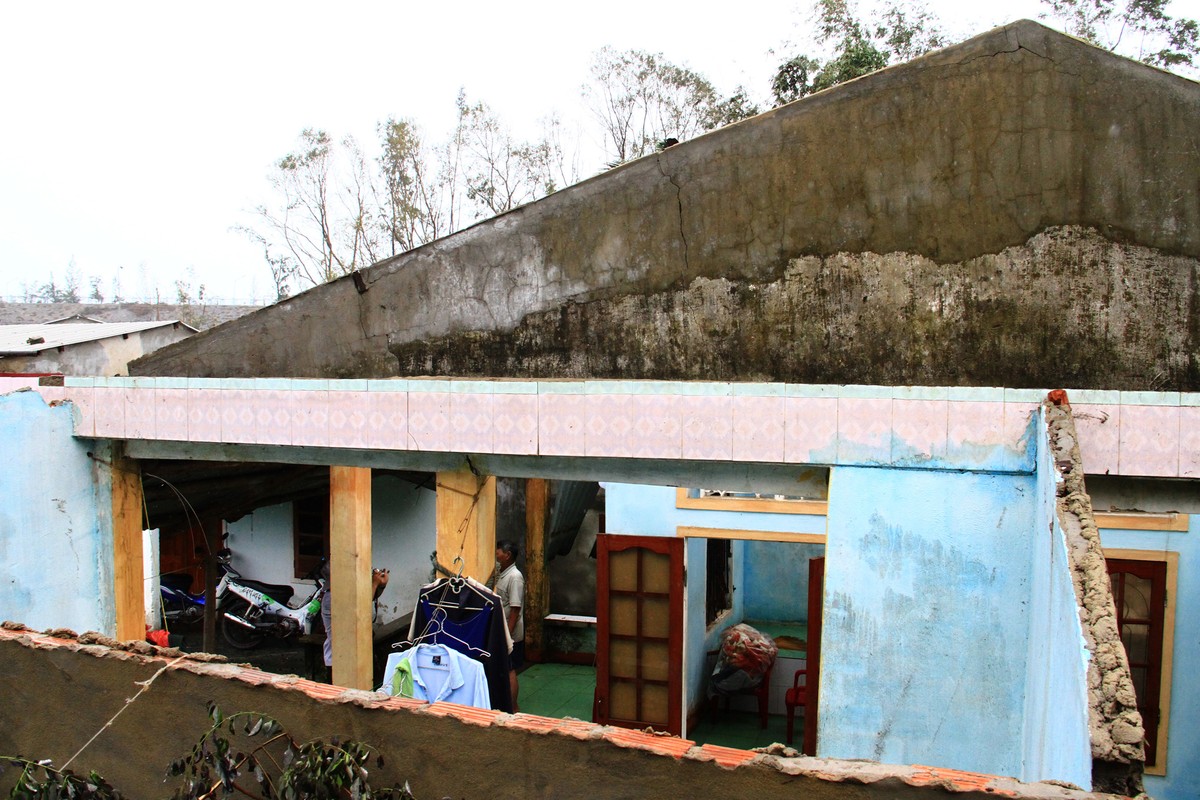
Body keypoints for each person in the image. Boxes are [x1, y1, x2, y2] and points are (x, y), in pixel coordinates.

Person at [321, 563, 389, 677]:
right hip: (339, 662)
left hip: (352, 659)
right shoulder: (332, 597)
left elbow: (368, 598)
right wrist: (374, 583)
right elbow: (361, 609)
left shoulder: (345, 594)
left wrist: (380, 585)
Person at [494, 539, 525, 711]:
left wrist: (509, 637)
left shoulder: (515, 577)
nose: (496, 553)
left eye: (498, 551)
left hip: (510, 633)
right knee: (504, 668)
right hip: (503, 630)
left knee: (509, 670)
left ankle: (513, 708)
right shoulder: (502, 573)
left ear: (507, 555)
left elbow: (515, 609)